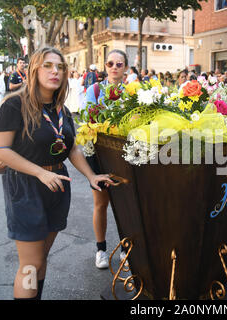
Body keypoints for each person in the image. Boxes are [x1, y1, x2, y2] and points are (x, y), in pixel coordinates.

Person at [0, 46, 115, 299]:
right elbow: (1, 150)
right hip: (26, 186)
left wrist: (91, 177)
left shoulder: (62, 110)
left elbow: (72, 149)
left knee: (41, 258)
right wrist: (40, 173)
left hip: (57, 186)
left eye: (59, 67)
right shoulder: (14, 105)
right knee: (29, 264)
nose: (55, 71)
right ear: (34, 69)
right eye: (47, 65)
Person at [83, 49, 129, 269]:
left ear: (125, 68)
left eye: (119, 64)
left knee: (126, 205)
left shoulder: (133, 92)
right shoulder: (94, 89)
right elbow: (86, 117)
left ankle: (126, 249)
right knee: (101, 203)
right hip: (99, 155)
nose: (114, 67)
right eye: (110, 63)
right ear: (105, 66)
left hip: (125, 155)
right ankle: (100, 250)